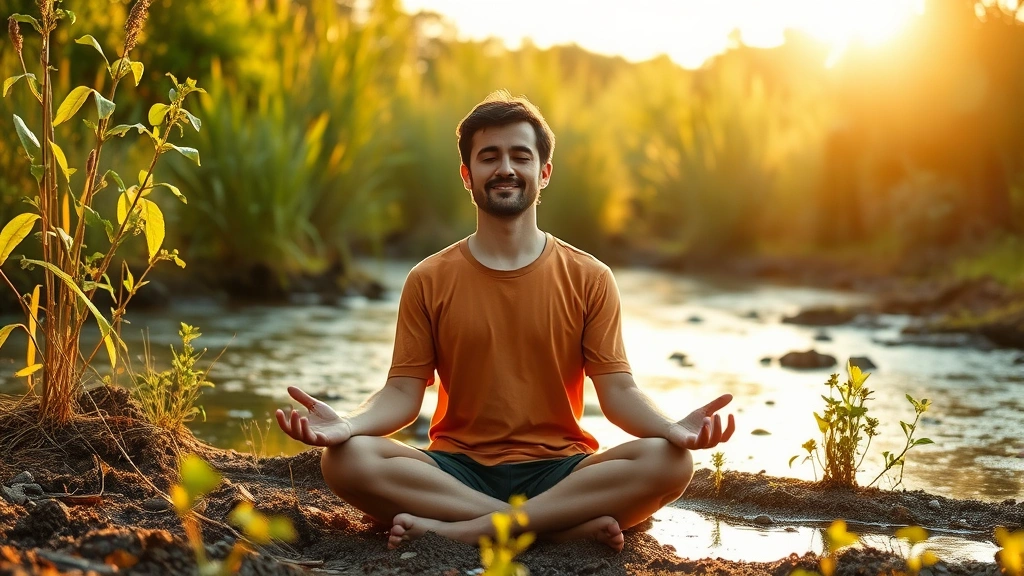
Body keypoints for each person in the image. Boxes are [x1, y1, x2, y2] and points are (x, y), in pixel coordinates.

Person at [276, 90, 736, 552]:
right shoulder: (428, 278)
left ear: (544, 172)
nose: (505, 169)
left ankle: (474, 529)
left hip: (561, 471)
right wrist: (349, 425)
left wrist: (672, 427)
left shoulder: (590, 277)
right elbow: (401, 395)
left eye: (520, 155)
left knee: (672, 462)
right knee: (344, 460)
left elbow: (619, 393)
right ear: (466, 174)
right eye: (488, 156)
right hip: (455, 471)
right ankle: (550, 529)